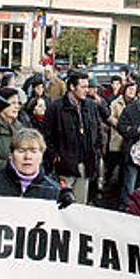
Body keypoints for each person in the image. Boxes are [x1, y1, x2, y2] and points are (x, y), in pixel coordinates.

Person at [45, 72, 102, 203]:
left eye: (87, 86)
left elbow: (98, 131)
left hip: (85, 164)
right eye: (83, 87)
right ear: (72, 87)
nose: (86, 90)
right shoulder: (56, 107)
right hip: (64, 165)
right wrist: (54, 156)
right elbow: (46, 135)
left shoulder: (90, 106)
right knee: (62, 204)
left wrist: (96, 151)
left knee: (80, 206)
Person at [0, 129, 74, 207]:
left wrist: (69, 207)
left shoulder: (53, 190)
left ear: (41, 155)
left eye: (34, 151)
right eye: (21, 151)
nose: (28, 157)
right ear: (11, 155)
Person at [104, 82, 137, 187]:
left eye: (134, 90)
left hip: (130, 140)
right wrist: (120, 125)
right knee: (111, 165)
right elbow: (109, 117)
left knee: (125, 168)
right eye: (130, 89)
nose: (132, 92)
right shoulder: (115, 103)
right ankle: (106, 185)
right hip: (117, 138)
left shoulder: (136, 104)